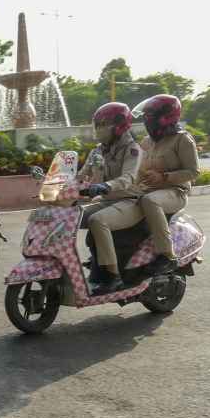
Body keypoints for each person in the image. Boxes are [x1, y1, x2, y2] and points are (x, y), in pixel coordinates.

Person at [85, 95, 199, 292]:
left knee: (149, 201)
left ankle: (167, 255)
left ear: (166, 117)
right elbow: (134, 170)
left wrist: (164, 177)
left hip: (175, 191)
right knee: (112, 209)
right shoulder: (147, 141)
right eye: (145, 116)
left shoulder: (182, 139)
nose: (146, 120)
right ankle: (109, 260)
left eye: (150, 116)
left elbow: (193, 172)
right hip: (148, 190)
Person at [76, 102, 143, 290]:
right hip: (108, 201)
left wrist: (105, 185)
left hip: (130, 202)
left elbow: (129, 178)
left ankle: (114, 276)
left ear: (119, 125)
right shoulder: (98, 150)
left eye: (103, 124)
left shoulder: (132, 149)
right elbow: (82, 175)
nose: (99, 129)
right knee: (72, 216)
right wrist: (62, 185)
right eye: (97, 125)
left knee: (98, 221)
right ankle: (97, 264)